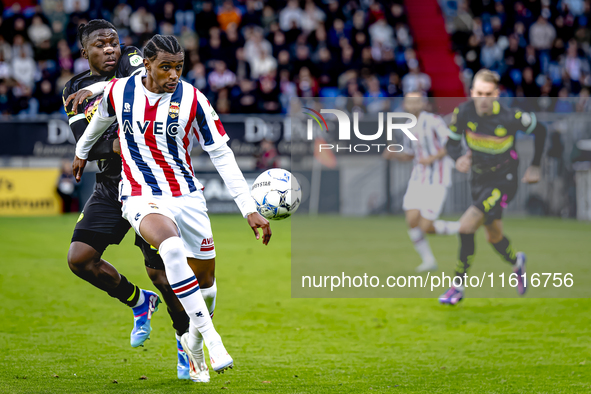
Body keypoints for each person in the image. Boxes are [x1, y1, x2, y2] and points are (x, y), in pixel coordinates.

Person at [73, 34, 272, 382]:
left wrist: (248, 207)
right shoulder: (121, 91)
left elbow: (221, 154)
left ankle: (192, 343)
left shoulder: (194, 99)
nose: (173, 75)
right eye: (165, 67)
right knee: (171, 248)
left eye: (179, 67)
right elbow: (100, 121)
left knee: (206, 288)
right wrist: (81, 151)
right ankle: (212, 339)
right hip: (140, 194)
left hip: (187, 197)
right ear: (147, 65)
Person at [62, 20, 192, 380]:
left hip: (150, 185)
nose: (110, 49)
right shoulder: (73, 88)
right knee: (80, 259)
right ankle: (138, 301)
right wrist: (113, 142)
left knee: (163, 275)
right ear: (84, 51)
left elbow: (143, 88)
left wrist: (108, 108)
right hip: (110, 183)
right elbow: (86, 141)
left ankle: (186, 344)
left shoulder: (133, 61)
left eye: (113, 42)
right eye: (100, 44)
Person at [439, 69, 547, 305]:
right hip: (478, 180)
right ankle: (517, 262)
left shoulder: (510, 117)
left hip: (504, 181)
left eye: (488, 94)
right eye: (478, 93)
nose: (483, 99)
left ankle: (457, 286)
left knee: (466, 227)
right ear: (471, 93)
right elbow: (451, 144)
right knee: (494, 236)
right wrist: (458, 158)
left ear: (497, 94)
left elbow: (541, 129)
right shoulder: (463, 112)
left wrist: (536, 165)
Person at [384, 92, 459, 272]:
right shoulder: (408, 127)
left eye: (417, 102)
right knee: (411, 220)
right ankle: (428, 260)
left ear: (423, 103)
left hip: (438, 178)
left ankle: (462, 227)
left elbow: (450, 144)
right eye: (410, 102)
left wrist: (432, 158)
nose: (413, 105)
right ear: (405, 105)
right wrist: (394, 155)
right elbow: (411, 155)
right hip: (418, 178)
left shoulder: (433, 121)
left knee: (426, 226)